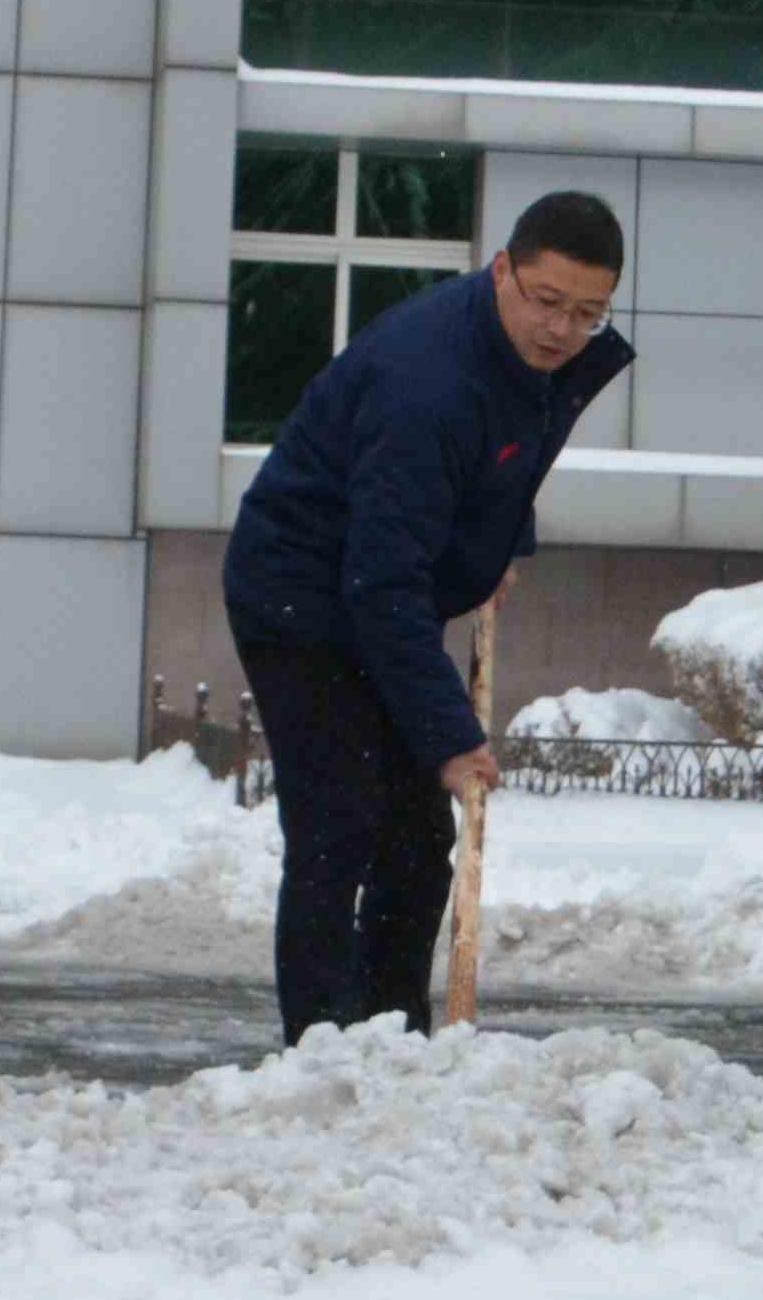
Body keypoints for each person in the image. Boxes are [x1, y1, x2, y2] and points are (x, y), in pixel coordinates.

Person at [220, 188, 635, 1044]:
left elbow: (502, 457)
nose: (562, 330)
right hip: (300, 593)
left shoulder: (514, 356)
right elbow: (381, 582)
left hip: (379, 589)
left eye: (588, 314)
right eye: (548, 301)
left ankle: (395, 1034)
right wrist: (449, 737)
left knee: (415, 836)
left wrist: (495, 550)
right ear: (502, 270)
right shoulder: (428, 380)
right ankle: (324, 1048)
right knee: (339, 824)